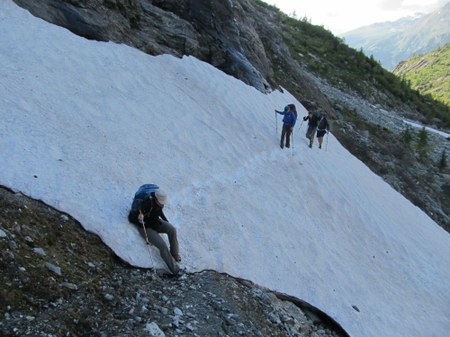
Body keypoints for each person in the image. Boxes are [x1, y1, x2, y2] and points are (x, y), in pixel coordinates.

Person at [128, 189, 181, 275]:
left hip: (155, 223)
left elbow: (159, 213)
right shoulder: (146, 204)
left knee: (172, 229)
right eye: (162, 202)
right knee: (162, 246)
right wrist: (139, 218)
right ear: (156, 199)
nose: (163, 203)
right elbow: (132, 217)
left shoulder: (158, 204)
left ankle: (174, 253)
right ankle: (175, 270)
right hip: (145, 227)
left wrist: (166, 222)